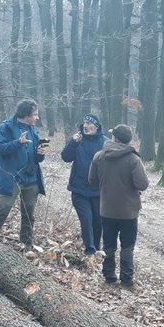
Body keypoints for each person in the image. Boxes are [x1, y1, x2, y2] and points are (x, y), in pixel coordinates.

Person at [88, 124, 149, 288]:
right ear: (128, 140)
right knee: (127, 246)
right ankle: (127, 279)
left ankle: (109, 276)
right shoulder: (134, 159)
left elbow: (92, 181)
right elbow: (143, 184)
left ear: (114, 138)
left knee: (108, 245)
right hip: (129, 211)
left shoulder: (99, 157)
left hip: (106, 209)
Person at [0, 99, 46, 248]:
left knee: (29, 213)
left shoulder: (33, 130)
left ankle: (26, 245)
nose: (37, 118)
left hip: (31, 178)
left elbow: (37, 157)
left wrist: (40, 153)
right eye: (35, 115)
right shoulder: (5, 127)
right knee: (2, 209)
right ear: (25, 115)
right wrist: (18, 143)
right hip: (11, 178)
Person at [61, 114, 107, 269]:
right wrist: (73, 143)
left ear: (97, 126)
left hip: (98, 190)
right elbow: (65, 157)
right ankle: (90, 250)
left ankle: (97, 248)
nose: (86, 126)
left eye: (90, 123)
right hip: (79, 189)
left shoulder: (105, 142)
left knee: (97, 221)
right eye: (85, 123)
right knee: (86, 219)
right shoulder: (77, 140)